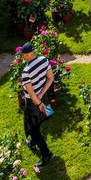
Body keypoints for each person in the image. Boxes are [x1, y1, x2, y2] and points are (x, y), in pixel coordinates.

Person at [21, 40, 54, 168]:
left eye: (23, 54)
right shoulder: (44, 60)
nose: (22, 57)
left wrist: (39, 102)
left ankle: (46, 154)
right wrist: (42, 95)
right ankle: (32, 142)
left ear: (29, 54)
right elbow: (50, 78)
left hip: (33, 103)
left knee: (33, 129)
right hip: (43, 97)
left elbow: (32, 94)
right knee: (38, 122)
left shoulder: (26, 71)